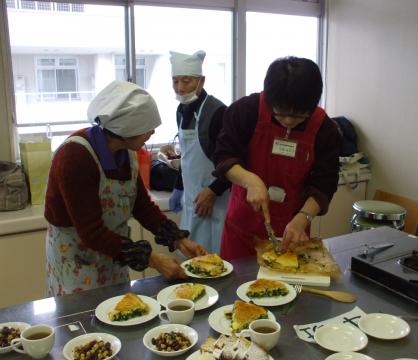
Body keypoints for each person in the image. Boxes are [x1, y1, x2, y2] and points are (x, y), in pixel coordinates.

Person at [44, 80, 206, 296]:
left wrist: (178, 239)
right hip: (76, 258)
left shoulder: (126, 153)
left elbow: (142, 206)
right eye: (148, 128)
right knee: (83, 323)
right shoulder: (75, 157)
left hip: (115, 253)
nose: (152, 133)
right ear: (128, 128)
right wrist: (152, 259)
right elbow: (91, 232)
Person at [213, 56, 341, 260]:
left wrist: (303, 218)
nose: (289, 121)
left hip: (293, 231)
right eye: (281, 113)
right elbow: (223, 156)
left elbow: (325, 184)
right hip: (242, 230)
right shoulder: (246, 111)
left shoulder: (325, 129)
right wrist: (250, 181)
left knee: (289, 288)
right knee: (235, 288)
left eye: (299, 115)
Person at [168, 50, 230, 253]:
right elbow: (186, 156)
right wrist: (178, 186)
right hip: (191, 200)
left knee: (214, 260)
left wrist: (213, 191)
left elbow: (234, 161)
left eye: (186, 81)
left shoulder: (217, 112)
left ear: (201, 81)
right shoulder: (181, 110)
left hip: (216, 204)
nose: (180, 88)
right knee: (192, 259)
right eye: (175, 81)